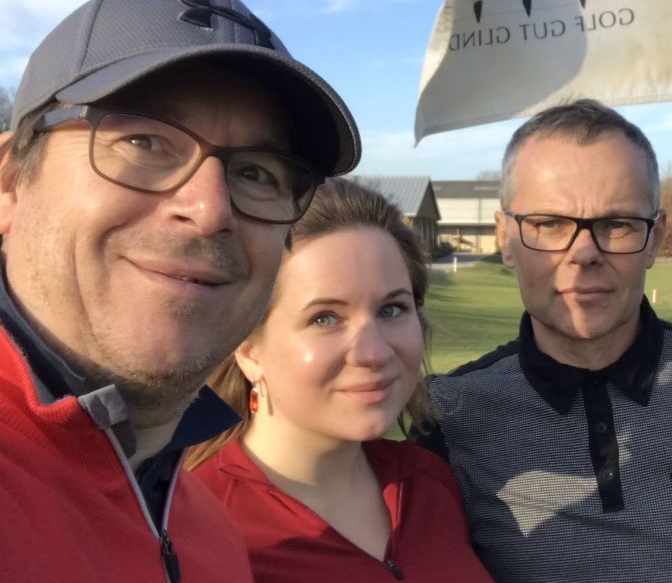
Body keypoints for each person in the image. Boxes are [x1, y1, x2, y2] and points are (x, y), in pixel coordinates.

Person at [0, 0, 361, 582]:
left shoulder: (206, 531)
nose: (209, 209)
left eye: (257, 172)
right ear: (9, 184)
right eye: (144, 142)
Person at [414, 100, 672, 582]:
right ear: (506, 239)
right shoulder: (449, 415)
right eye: (549, 224)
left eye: (616, 225)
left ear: (655, 237)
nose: (584, 253)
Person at [187, 178, 493, 582]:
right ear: (246, 347)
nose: (374, 353)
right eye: (324, 318)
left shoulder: (430, 483)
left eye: (391, 310)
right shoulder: (194, 529)